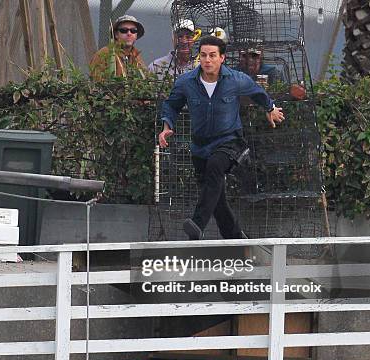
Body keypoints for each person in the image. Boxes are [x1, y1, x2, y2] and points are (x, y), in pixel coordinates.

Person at [158, 36, 285, 240]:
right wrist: (166, 127)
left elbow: (257, 92)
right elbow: (171, 105)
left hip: (230, 142)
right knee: (216, 197)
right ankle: (235, 239)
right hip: (200, 146)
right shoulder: (186, 82)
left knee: (215, 167)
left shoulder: (236, 79)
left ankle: (197, 224)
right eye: (203, 55)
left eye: (212, 55)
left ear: (222, 58)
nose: (207, 60)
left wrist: (270, 108)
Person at [89, 15, 146, 81]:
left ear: (136, 35)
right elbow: (95, 84)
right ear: (116, 34)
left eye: (133, 30)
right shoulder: (104, 54)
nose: (129, 33)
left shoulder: (137, 56)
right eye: (124, 30)